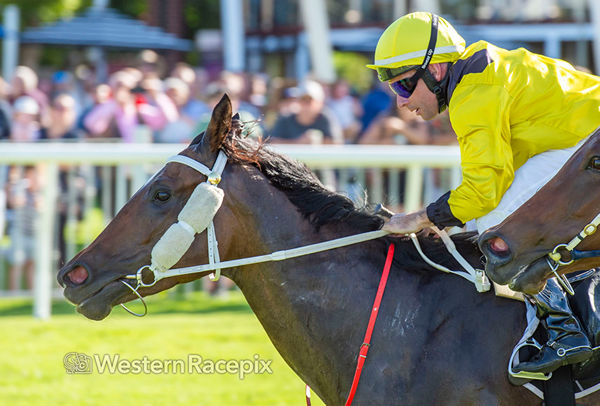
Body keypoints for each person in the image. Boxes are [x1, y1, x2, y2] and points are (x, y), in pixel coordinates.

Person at [369, 11, 599, 375]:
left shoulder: (474, 94)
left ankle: (565, 331)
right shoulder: (481, 69)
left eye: (403, 86)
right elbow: (501, 176)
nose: (401, 102)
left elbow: (483, 190)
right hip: (581, 139)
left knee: (498, 225)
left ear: (437, 70)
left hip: (587, 144)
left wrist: (421, 217)